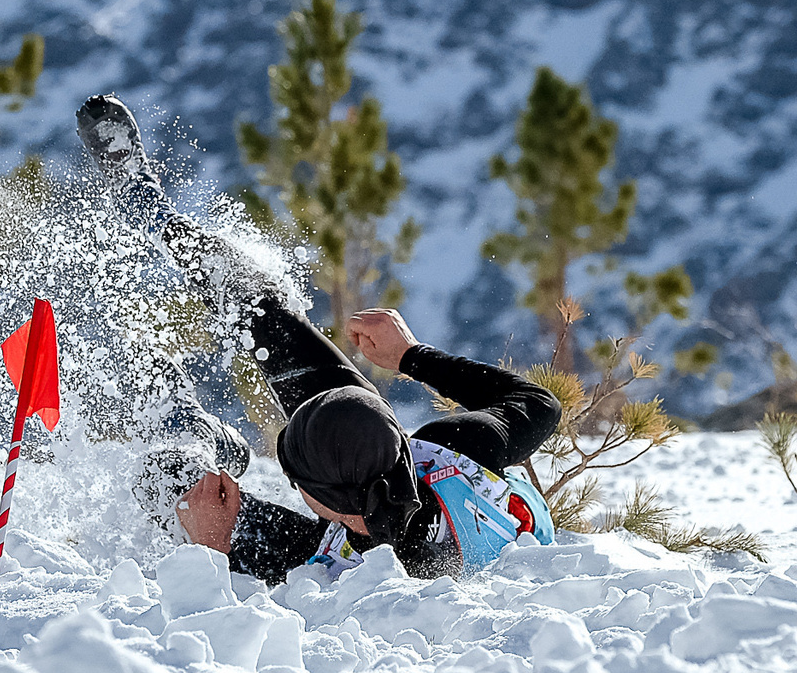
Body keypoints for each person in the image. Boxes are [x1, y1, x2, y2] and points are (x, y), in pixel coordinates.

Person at [78, 94, 561, 583]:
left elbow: (237, 641)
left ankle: (193, 434)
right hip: (384, 496)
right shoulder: (455, 452)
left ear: (321, 502)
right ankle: (148, 208)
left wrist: (210, 549)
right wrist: (410, 356)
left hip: (344, 547)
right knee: (260, 311)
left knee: (168, 486)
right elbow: (540, 404)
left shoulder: (346, 580)